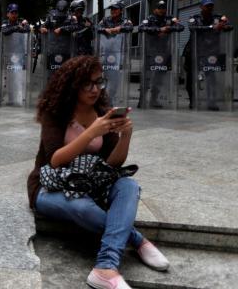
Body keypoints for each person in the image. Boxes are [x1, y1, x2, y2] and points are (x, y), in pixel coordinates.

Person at [27, 56, 169, 289]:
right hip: (49, 187)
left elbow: (112, 165)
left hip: (89, 183)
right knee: (81, 206)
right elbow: (54, 161)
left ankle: (104, 267)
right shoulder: (56, 112)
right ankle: (137, 241)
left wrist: (126, 136)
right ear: (73, 85)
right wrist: (90, 133)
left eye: (99, 82)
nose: (95, 89)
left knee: (129, 186)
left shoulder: (102, 111)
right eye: (88, 84)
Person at [182, 0, 233, 110]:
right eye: (207, 6)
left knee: (211, 78)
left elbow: (229, 26)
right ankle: (193, 101)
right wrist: (213, 27)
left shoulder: (218, 17)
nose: (209, 8)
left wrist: (223, 26)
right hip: (193, 52)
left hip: (211, 52)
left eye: (211, 6)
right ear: (201, 7)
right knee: (191, 78)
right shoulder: (194, 17)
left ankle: (212, 102)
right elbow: (193, 28)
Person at [138, 0, 184, 108]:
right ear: (155, 10)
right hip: (150, 52)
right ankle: (142, 100)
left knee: (158, 79)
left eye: (164, 8)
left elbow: (181, 27)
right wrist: (159, 29)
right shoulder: (149, 18)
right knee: (147, 77)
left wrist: (168, 29)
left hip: (164, 52)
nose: (162, 10)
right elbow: (141, 28)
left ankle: (154, 100)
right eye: (160, 8)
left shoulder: (169, 19)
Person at [96, 2, 133, 104]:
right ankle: (104, 100)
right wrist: (106, 29)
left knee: (115, 79)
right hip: (105, 53)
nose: (113, 11)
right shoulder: (105, 20)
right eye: (112, 9)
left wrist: (119, 28)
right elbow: (97, 28)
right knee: (105, 77)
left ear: (121, 10)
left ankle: (108, 100)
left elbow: (130, 28)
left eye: (116, 9)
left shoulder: (125, 21)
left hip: (119, 53)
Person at [0, 3, 30, 106]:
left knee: (17, 76)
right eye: (12, 12)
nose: (14, 14)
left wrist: (24, 25)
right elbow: (4, 31)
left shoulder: (22, 22)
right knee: (9, 78)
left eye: (15, 12)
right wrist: (17, 28)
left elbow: (27, 30)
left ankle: (18, 99)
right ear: (8, 14)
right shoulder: (5, 23)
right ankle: (11, 100)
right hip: (8, 55)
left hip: (19, 55)